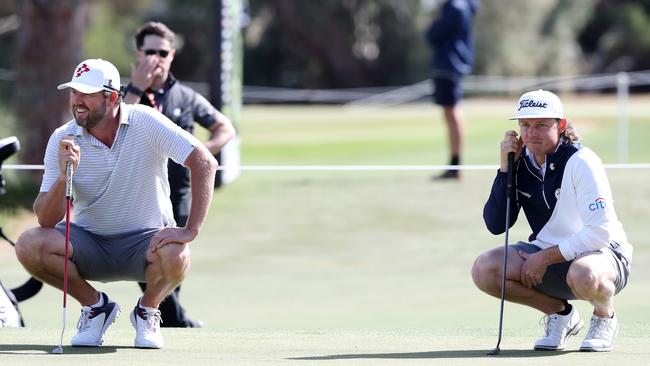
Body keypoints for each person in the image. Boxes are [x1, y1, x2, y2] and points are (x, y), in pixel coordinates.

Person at [14, 58, 218, 348]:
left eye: (86, 93)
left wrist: (191, 230)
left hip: (147, 244)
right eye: (74, 92)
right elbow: (46, 221)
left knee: (179, 254)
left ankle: (147, 310)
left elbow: (204, 162)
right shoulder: (63, 137)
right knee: (29, 244)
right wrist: (63, 177)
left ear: (111, 97)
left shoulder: (145, 121)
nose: (77, 101)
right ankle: (96, 308)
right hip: (90, 244)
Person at [471, 89, 633, 352]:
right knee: (485, 269)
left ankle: (605, 317)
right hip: (549, 253)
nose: (532, 133)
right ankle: (561, 314)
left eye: (541, 125)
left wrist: (544, 258)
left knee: (586, 274)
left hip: (602, 255)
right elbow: (496, 224)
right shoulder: (520, 162)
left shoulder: (582, 161)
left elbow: (600, 233)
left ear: (561, 126)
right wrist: (505, 170)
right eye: (525, 125)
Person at [123, 21, 235, 328]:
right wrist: (136, 88)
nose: (156, 58)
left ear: (172, 54)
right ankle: (176, 320)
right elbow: (118, 127)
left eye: (162, 52)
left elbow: (225, 128)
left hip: (178, 195)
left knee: (173, 265)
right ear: (138, 53)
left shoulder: (185, 96)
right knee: (147, 264)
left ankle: (167, 320)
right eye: (149, 51)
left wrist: (201, 153)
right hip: (139, 198)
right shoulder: (125, 93)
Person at [425, 0, 479, 180]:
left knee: (452, 110)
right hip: (452, 63)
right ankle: (454, 163)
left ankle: (455, 164)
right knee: (450, 111)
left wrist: (433, 21)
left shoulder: (455, 7)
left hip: (449, 64)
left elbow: (432, 35)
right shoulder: (461, 6)